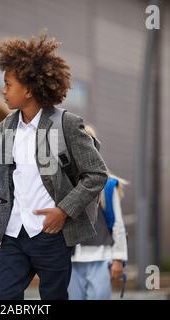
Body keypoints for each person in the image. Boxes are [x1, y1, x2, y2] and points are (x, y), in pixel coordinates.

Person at [0, 33, 108, 300]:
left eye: (8, 84)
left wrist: (64, 211)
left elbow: (96, 175)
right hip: (13, 234)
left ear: (28, 89)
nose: (3, 90)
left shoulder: (67, 124)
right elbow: (5, 180)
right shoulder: (5, 128)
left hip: (51, 234)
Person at [68, 125, 128, 300]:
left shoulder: (108, 186)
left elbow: (117, 225)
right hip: (69, 260)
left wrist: (118, 258)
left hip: (100, 259)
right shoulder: (62, 185)